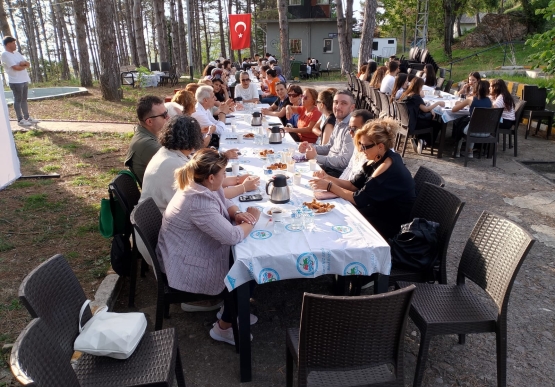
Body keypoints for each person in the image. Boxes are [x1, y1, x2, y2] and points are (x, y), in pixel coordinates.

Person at [156, 148, 261, 345]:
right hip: (185, 264)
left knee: (245, 259)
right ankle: (223, 327)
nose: (226, 177)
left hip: (185, 251)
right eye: (223, 173)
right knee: (249, 269)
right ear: (212, 177)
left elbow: (224, 199)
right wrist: (252, 220)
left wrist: (237, 214)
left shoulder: (199, 183)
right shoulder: (198, 201)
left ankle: (230, 309)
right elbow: (233, 236)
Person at [309, 118, 416, 240]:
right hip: (377, 210)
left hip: (390, 225)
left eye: (364, 146)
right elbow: (353, 185)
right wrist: (328, 178)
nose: (360, 150)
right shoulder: (376, 159)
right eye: (360, 145)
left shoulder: (386, 166)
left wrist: (329, 186)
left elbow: (358, 199)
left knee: (335, 223)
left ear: (380, 146)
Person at [299, 90, 355, 177]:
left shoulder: (351, 128)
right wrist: (309, 147)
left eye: (343, 103)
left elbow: (344, 161)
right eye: (336, 102)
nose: (338, 107)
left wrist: (316, 157)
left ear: (352, 107)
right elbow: (329, 147)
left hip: (337, 174)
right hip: (328, 167)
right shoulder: (338, 120)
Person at [124, 95, 169, 185]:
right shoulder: (147, 144)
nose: (168, 117)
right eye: (164, 115)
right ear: (149, 122)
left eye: (166, 112)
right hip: (159, 197)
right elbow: (181, 166)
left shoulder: (149, 135)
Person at [400, 77, 445, 154]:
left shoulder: (407, 94)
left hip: (406, 121)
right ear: (419, 86)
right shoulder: (416, 97)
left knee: (430, 122)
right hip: (414, 123)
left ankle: (419, 140)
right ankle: (425, 142)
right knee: (437, 125)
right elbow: (425, 109)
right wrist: (438, 103)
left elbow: (423, 107)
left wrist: (430, 109)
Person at [1, 36, 39, 127]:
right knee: (18, 100)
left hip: (24, 79)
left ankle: (27, 117)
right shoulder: (5, 55)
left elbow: (28, 64)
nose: (15, 45)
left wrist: (23, 64)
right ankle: (20, 119)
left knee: (24, 100)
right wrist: (23, 65)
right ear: (8, 44)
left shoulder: (17, 53)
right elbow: (16, 68)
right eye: (13, 43)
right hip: (15, 81)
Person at [452, 80, 493, 158]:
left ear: (475, 89)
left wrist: (458, 103)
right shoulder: (490, 102)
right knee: (474, 122)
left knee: (460, 122)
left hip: (471, 131)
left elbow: (454, 110)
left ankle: (457, 150)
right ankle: (470, 151)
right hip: (486, 132)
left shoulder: (470, 99)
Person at [339, 109, 374, 180]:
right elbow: (350, 168)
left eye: (354, 128)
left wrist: (333, 186)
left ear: (367, 128)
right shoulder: (358, 143)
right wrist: (336, 184)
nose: (350, 132)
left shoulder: (372, 150)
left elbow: (356, 186)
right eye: (349, 128)